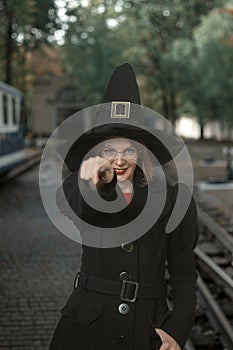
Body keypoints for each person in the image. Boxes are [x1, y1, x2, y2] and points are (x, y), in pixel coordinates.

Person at [49, 63, 199, 350]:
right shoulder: (80, 189)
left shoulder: (172, 199)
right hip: (86, 330)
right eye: (109, 151)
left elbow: (183, 270)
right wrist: (96, 183)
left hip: (149, 329)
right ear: (96, 154)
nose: (119, 160)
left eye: (128, 149)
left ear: (142, 152)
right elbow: (81, 207)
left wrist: (178, 329)